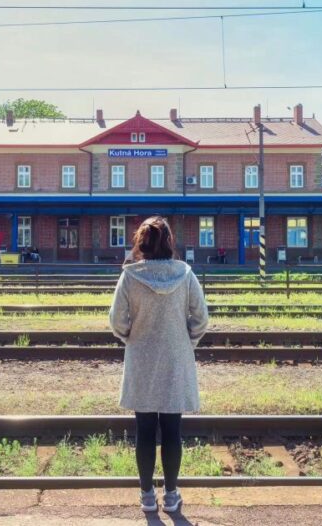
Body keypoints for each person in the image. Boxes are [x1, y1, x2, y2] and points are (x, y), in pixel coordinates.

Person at [108, 215, 209, 514]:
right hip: (175, 361)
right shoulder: (186, 274)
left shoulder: (130, 276)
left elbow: (116, 321)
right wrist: (185, 342)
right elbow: (201, 318)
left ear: (141, 243)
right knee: (172, 430)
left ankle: (147, 495)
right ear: (169, 242)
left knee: (145, 430)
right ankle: (172, 495)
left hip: (141, 360)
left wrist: (132, 338)